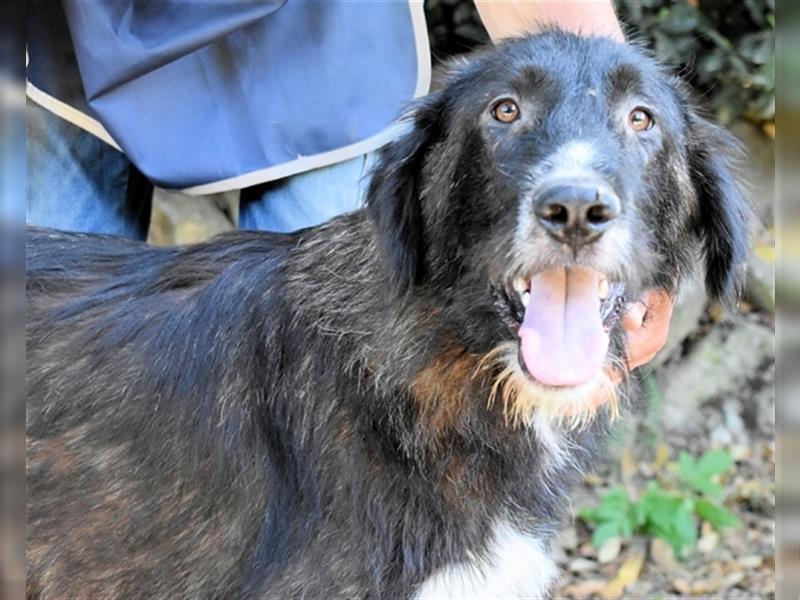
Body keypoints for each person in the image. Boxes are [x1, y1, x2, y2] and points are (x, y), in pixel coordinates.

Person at [25, 1, 672, 394]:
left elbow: (580, 72)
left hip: (322, 39)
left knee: (352, 390)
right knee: (32, 375)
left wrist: (637, 233)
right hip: (51, 41)